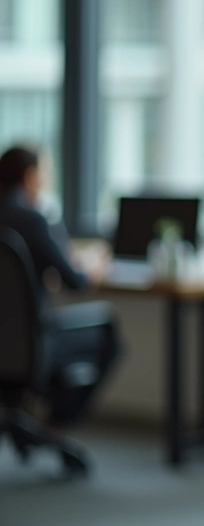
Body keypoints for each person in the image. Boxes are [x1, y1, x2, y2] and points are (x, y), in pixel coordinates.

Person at [0, 145, 121, 430]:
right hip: (32, 342)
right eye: (45, 173)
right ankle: (57, 423)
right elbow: (75, 282)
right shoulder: (32, 219)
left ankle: (29, 416)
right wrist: (93, 265)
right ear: (30, 177)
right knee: (107, 330)